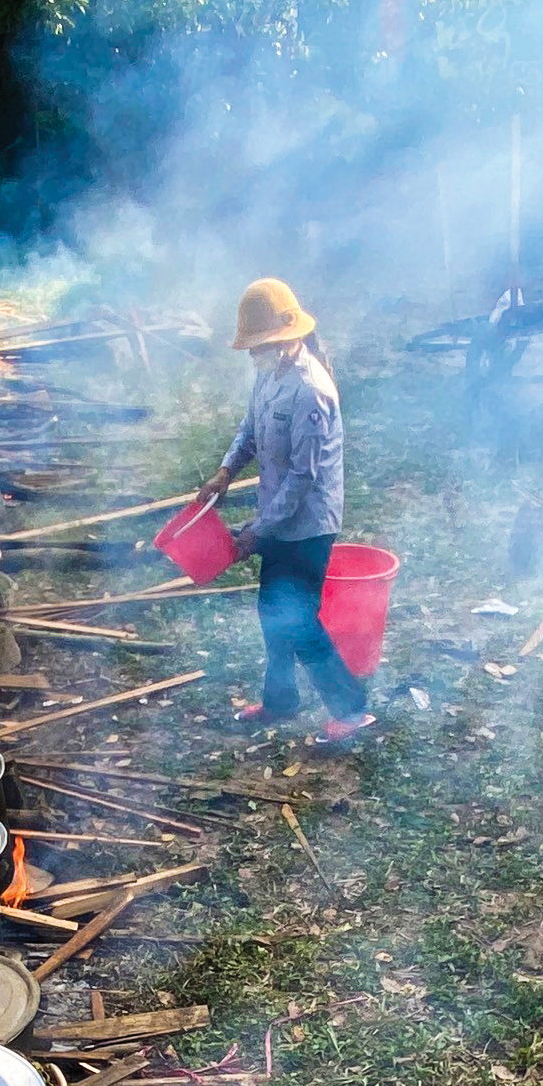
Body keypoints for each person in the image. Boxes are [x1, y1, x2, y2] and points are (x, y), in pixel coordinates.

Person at [193, 278, 374, 746]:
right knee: (272, 611)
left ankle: (352, 711)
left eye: (261, 346)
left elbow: (302, 477)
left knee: (296, 618)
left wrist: (258, 531)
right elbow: (250, 429)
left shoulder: (311, 392)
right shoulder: (270, 375)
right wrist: (224, 471)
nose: (255, 355)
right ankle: (281, 700)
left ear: (286, 339)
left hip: (308, 525)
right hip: (277, 516)